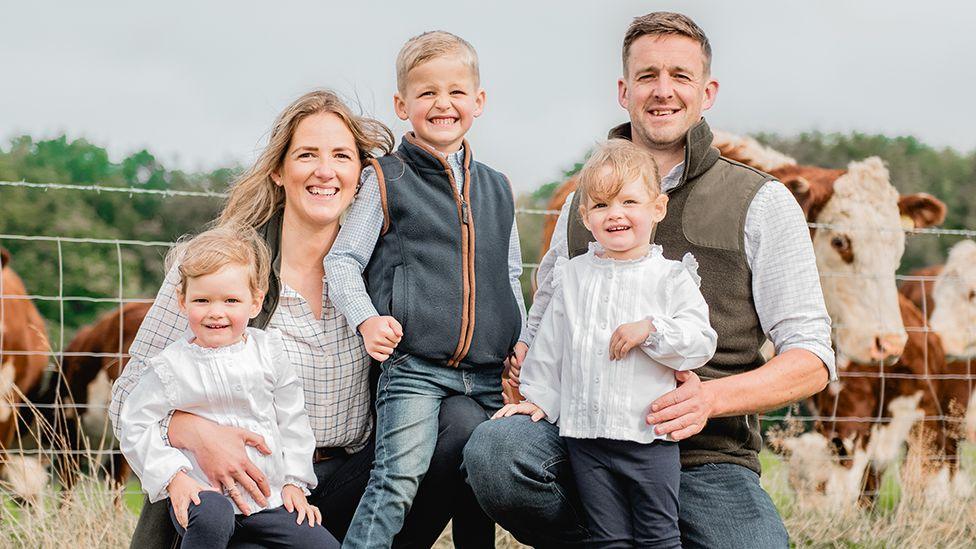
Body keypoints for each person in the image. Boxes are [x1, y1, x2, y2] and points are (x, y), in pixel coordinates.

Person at [463, 11, 836, 548]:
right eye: (647, 76)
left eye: (680, 75)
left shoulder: (761, 201)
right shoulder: (580, 207)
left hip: (705, 455)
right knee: (497, 453)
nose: (663, 90)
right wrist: (526, 366)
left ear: (707, 92)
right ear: (624, 91)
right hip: (586, 435)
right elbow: (545, 315)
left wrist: (710, 400)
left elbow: (812, 358)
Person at [109, 89, 493, 548]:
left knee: (459, 420)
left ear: (362, 176)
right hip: (249, 488)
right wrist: (196, 432)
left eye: (341, 156)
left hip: (350, 480)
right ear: (278, 170)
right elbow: (128, 398)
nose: (324, 171)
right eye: (307, 154)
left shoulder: (384, 271)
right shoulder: (220, 272)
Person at [325, 30, 526, 547]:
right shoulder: (385, 179)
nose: (443, 103)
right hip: (415, 367)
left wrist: (521, 340)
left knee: (478, 489)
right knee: (396, 480)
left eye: (457, 91)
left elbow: (509, 276)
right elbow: (342, 260)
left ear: (479, 101)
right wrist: (366, 319)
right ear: (402, 105)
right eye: (427, 92)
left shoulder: (498, 187)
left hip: (487, 371)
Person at [493, 139, 717, 548]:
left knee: (658, 536)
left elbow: (700, 342)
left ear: (658, 208)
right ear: (585, 216)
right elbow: (551, 347)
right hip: (587, 439)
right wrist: (539, 398)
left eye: (629, 201)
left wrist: (651, 330)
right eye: (601, 205)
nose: (615, 213)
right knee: (608, 537)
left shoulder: (671, 278)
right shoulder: (573, 276)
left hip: (648, 437)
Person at [118, 225, 338, 548]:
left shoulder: (269, 352)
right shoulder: (170, 366)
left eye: (231, 300)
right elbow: (134, 424)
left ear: (255, 302)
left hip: (269, 500)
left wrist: (294, 483)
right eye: (202, 300)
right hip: (202, 496)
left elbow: (293, 420)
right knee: (213, 515)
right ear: (182, 301)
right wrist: (174, 478)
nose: (216, 313)